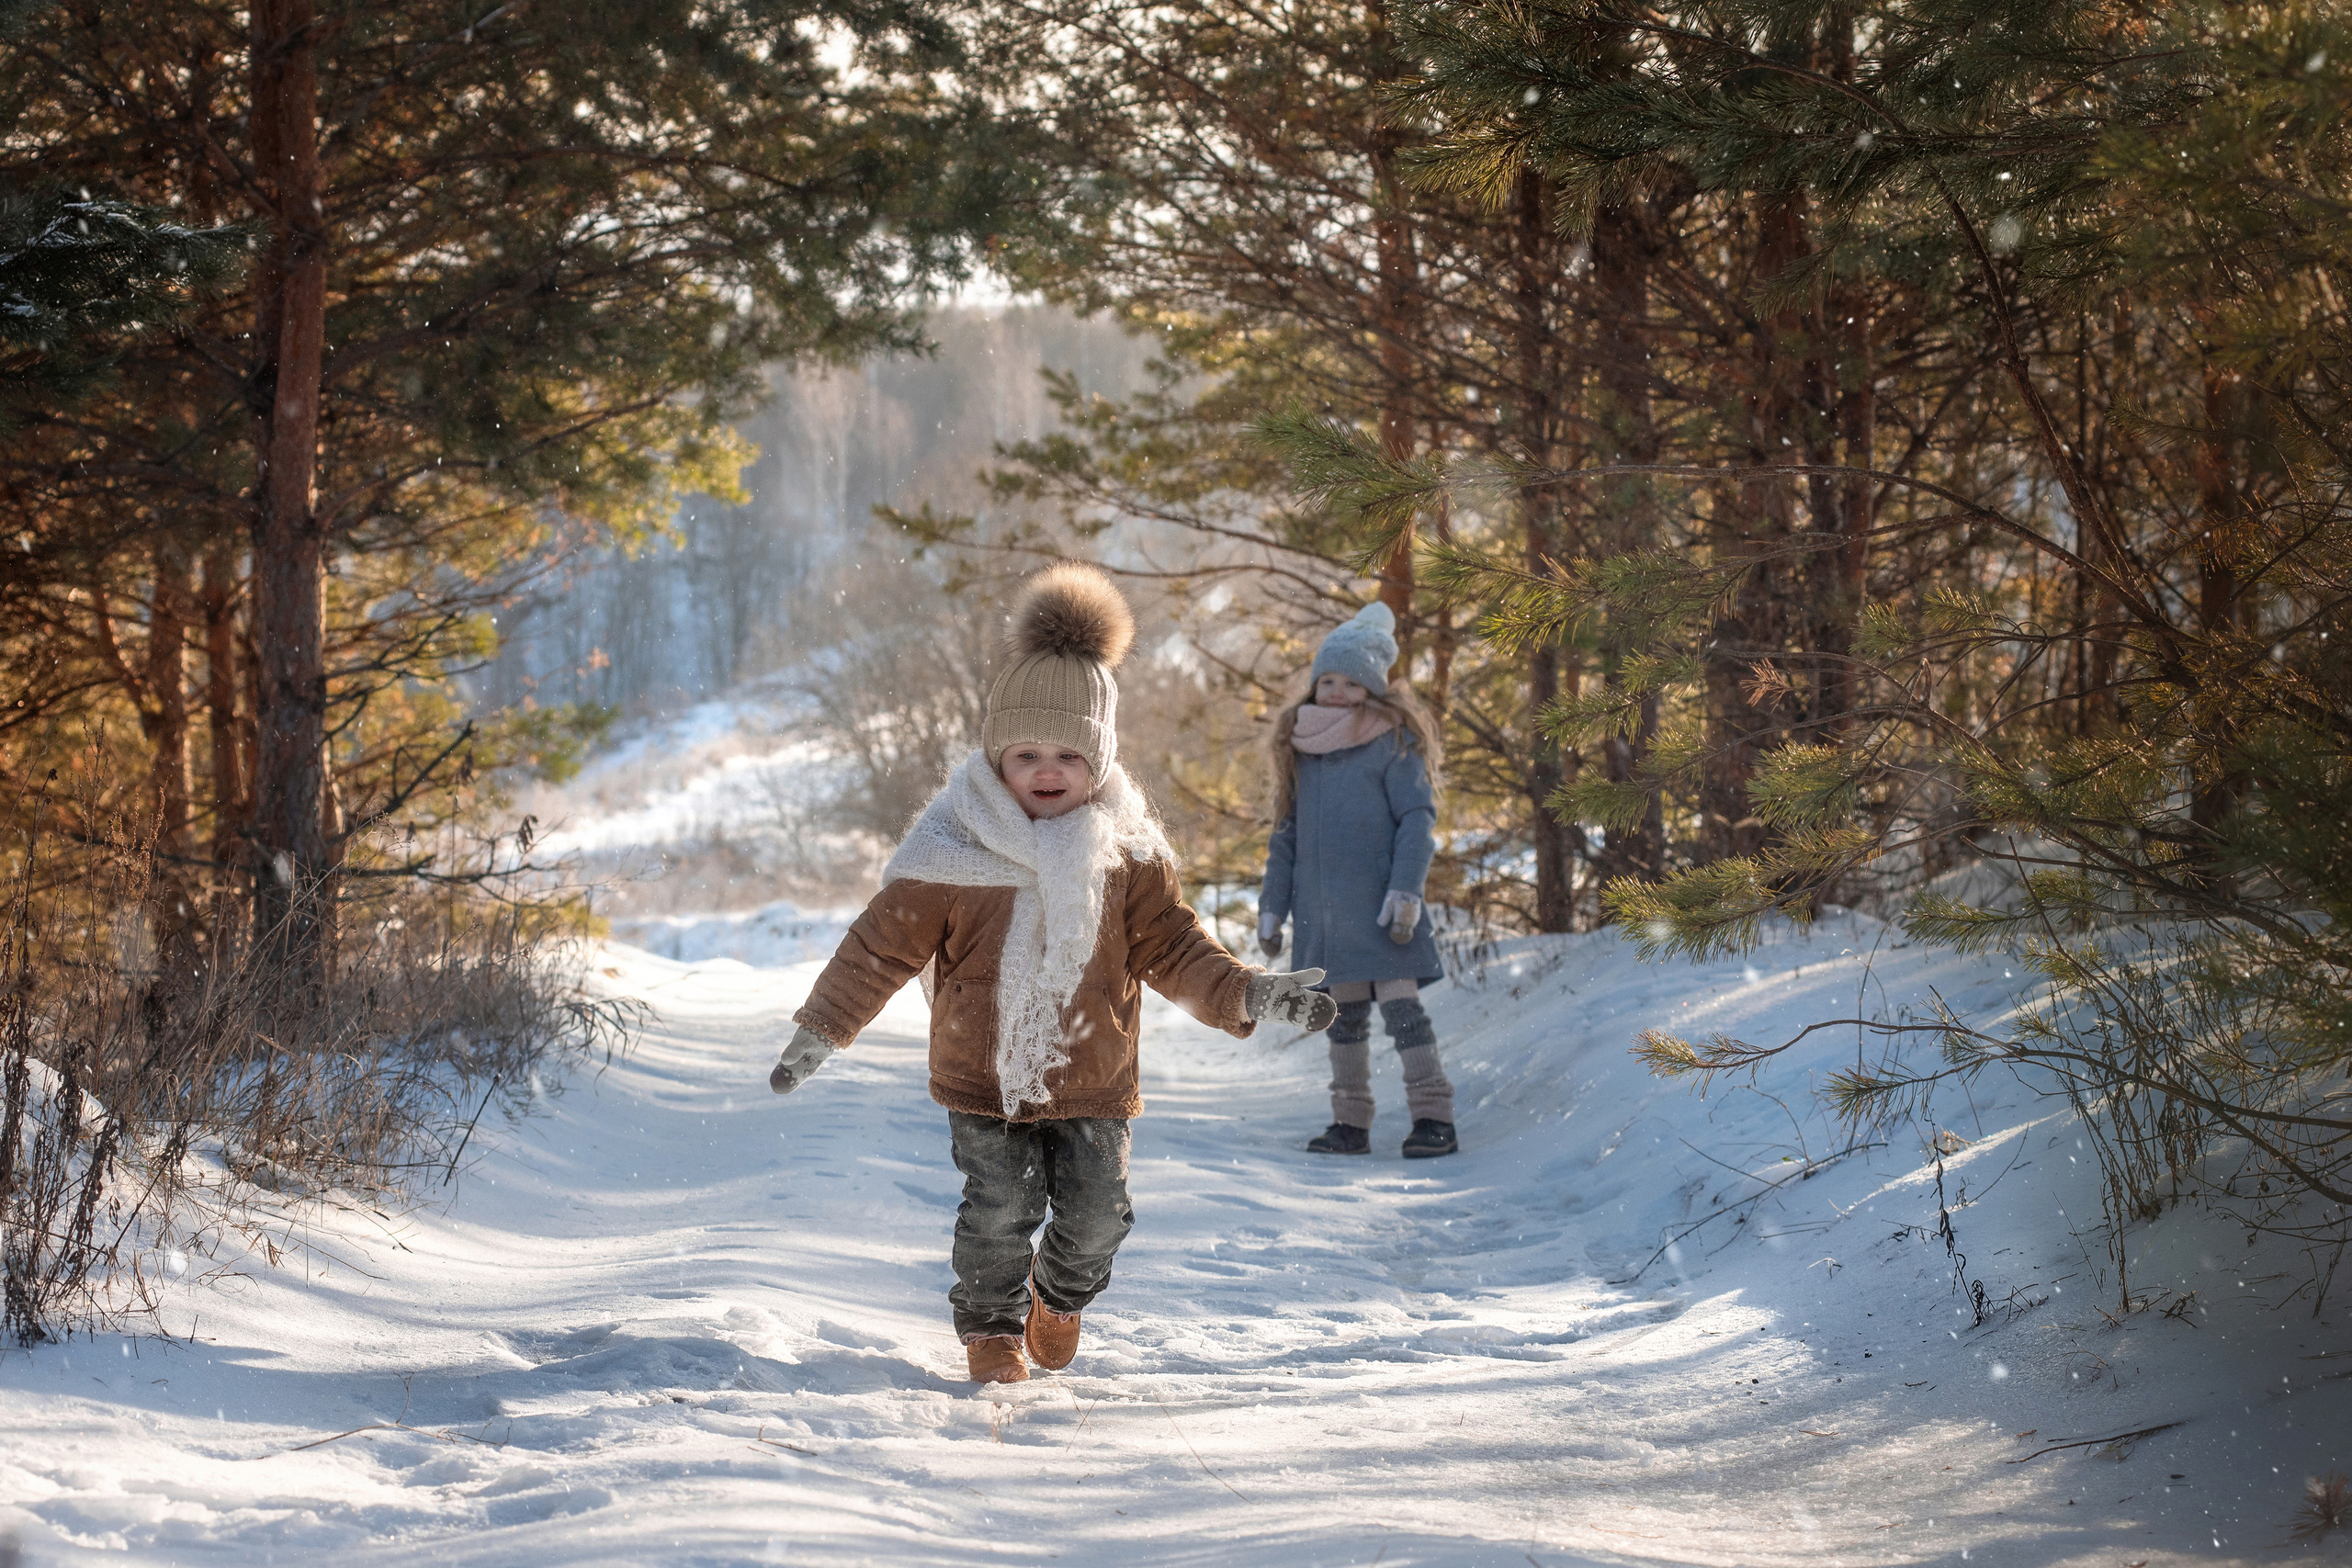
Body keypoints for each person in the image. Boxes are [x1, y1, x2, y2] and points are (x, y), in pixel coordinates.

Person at [767, 562, 1336, 1383]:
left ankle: (1058, 1295)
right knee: (999, 1208)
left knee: (1101, 1213)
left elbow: (1174, 949)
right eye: (1026, 751)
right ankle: (991, 1329)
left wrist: (1249, 991)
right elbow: (879, 946)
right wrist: (822, 1028)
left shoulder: (1127, 856)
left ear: (1100, 761)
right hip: (980, 1068)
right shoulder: (950, 850)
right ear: (996, 753)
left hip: (1093, 1069)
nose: (1046, 768)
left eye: (1070, 753)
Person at [1257, 601, 1457, 1159]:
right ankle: (1351, 1124)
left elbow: (1417, 821)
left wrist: (1405, 891)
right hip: (1327, 920)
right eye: (1327, 680)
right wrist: (1272, 907)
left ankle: (1434, 1117)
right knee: (1342, 1024)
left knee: (1402, 1014)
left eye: (1351, 681)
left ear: (1372, 689)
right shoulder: (1301, 751)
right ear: (1314, 685)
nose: (1337, 691)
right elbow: (1286, 838)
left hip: (1384, 912)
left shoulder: (1392, 743)